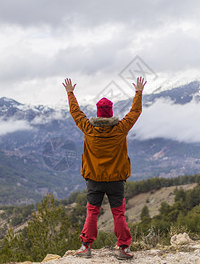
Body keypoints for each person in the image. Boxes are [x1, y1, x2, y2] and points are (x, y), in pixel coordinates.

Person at [62, 77, 146, 260]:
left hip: (94, 180)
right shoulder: (121, 128)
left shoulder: (89, 129)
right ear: (111, 113)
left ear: (98, 114)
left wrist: (70, 93)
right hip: (116, 180)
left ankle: (86, 247)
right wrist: (138, 92)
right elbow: (135, 111)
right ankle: (123, 248)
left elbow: (75, 113)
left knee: (92, 212)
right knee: (118, 214)